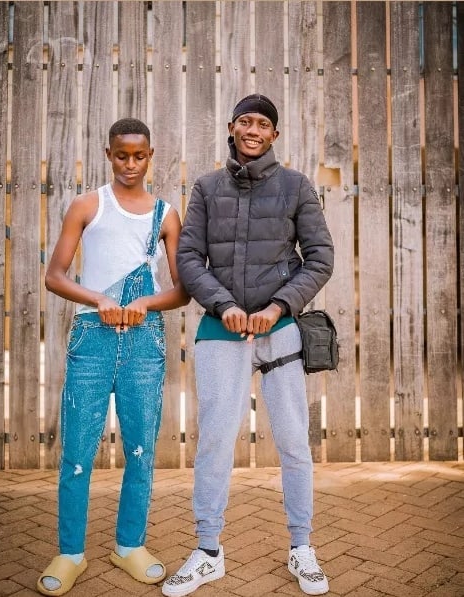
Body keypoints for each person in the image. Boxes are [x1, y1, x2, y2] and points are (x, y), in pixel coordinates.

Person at [162, 94, 333, 597]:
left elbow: (320, 258)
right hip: (222, 330)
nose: (253, 130)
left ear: (273, 134)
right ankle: (208, 552)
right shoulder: (207, 187)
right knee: (215, 440)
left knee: (294, 441)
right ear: (232, 128)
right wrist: (224, 305)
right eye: (245, 121)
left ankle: (302, 546)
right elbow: (189, 259)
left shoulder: (296, 186)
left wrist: (278, 307)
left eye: (263, 123)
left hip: (279, 329)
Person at [37, 117, 189, 596]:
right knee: (77, 452)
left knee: (141, 449)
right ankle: (70, 553)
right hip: (92, 339)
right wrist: (98, 299)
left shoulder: (165, 215)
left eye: (139, 156)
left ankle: (129, 545)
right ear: (108, 154)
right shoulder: (88, 205)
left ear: (150, 156)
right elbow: (55, 275)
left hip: (144, 343)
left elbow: (183, 289)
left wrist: (145, 302)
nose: (130, 164)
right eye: (121, 155)